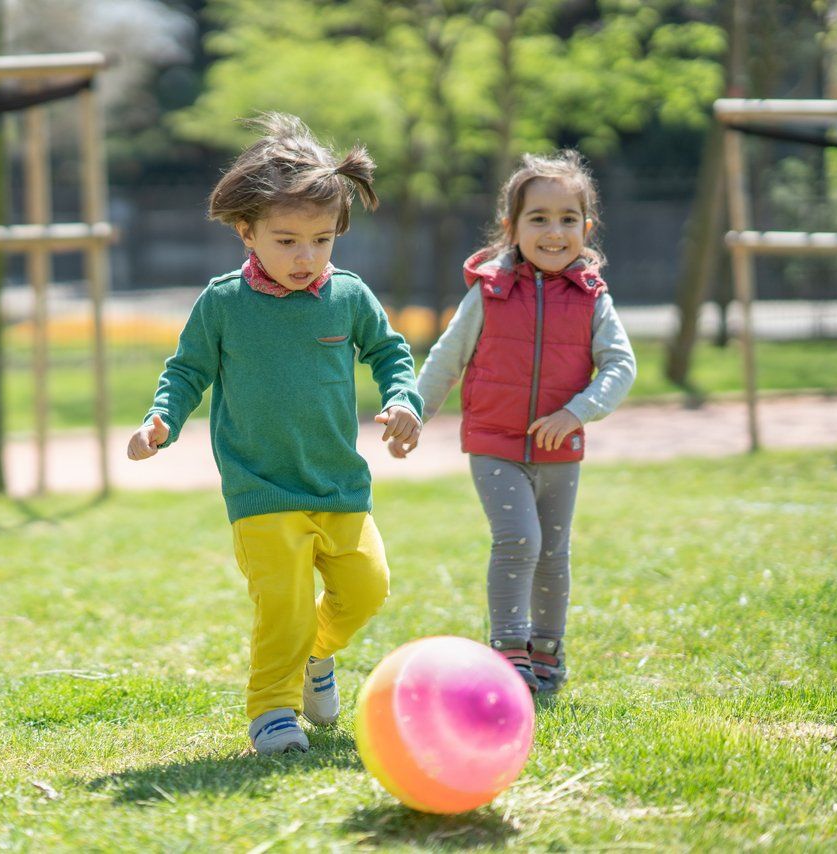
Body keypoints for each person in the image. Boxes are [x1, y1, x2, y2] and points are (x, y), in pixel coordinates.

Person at [127, 114, 423, 755]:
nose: (305, 256)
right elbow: (186, 371)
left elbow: (392, 353)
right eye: (286, 240)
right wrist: (161, 421)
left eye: (321, 240)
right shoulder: (223, 304)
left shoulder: (346, 295)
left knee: (367, 589)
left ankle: (316, 657)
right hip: (261, 491)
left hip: (338, 483)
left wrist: (403, 401)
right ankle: (272, 713)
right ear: (247, 231)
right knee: (283, 608)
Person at [390, 150, 636, 694]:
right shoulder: (489, 291)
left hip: (560, 446)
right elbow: (446, 358)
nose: (554, 231)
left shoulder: (593, 299)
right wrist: (413, 411)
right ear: (511, 227)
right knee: (518, 540)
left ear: (586, 227)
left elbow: (621, 365)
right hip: (495, 442)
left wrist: (577, 411)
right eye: (539, 219)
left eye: (568, 219)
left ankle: (548, 649)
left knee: (553, 550)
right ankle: (509, 648)